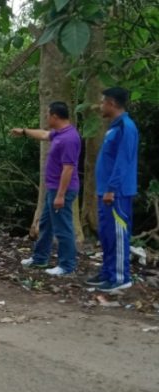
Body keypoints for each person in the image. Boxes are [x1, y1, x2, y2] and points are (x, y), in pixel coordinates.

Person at [10, 101, 81, 276]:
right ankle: (40, 258)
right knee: (46, 224)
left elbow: (68, 168)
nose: (46, 118)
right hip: (52, 188)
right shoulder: (59, 133)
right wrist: (25, 132)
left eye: (47, 115)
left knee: (63, 228)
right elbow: (44, 135)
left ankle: (66, 266)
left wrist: (60, 195)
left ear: (55, 116)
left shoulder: (70, 138)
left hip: (61, 190)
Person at [85, 87, 139, 292]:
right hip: (105, 191)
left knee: (117, 234)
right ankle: (108, 271)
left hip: (117, 193)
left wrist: (112, 189)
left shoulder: (127, 127)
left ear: (112, 103)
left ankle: (120, 277)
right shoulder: (113, 127)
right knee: (106, 234)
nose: (100, 106)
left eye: (102, 102)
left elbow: (123, 162)